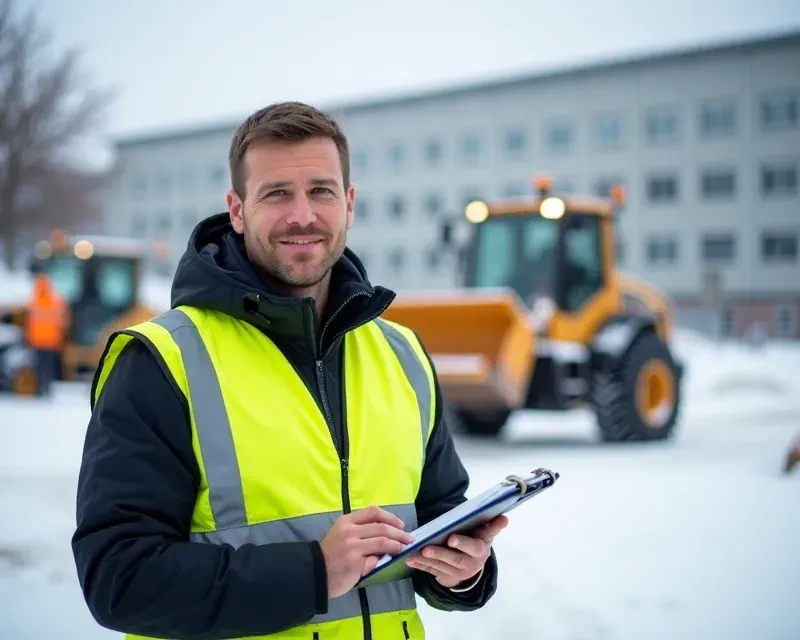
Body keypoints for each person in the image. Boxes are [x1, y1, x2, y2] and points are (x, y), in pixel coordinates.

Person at [72, 101, 507, 640]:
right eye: (277, 193)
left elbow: (438, 516)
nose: (303, 215)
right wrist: (313, 573)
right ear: (237, 209)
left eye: (321, 191)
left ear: (349, 204)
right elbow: (119, 579)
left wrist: (462, 573)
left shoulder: (403, 355)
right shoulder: (162, 361)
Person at [25, 271, 68, 395]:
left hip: (37, 341)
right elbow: (63, 321)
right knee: (48, 366)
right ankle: (46, 387)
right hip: (50, 341)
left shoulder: (34, 302)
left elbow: (29, 322)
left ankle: (40, 388)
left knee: (39, 366)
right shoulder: (57, 302)